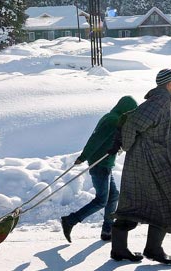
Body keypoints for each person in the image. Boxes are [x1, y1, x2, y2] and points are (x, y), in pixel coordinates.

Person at [109, 68, 171, 264]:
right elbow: (132, 124)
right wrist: (125, 144)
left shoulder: (160, 102)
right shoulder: (158, 103)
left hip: (148, 162)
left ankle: (120, 249)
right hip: (151, 163)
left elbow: (133, 122)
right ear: (169, 85)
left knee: (135, 203)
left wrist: (126, 145)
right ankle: (153, 249)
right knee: (169, 200)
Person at [61, 96, 138, 243]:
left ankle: (107, 230)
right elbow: (95, 140)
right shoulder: (113, 120)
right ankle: (70, 220)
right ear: (126, 110)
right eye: (130, 112)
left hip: (104, 164)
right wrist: (83, 157)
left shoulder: (111, 117)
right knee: (101, 200)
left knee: (113, 195)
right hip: (100, 165)